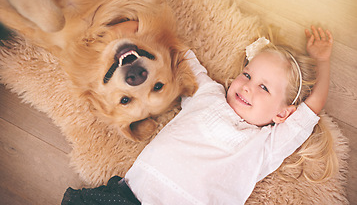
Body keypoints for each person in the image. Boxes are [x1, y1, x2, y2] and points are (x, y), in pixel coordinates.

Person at [62, 25, 335, 204]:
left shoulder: (265, 146)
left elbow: (312, 109)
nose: (247, 87)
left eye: (263, 87)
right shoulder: (208, 94)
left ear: (283, 113)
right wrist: (146, 28)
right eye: (247, 75)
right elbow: (182, 56)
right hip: (130, 195)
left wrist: (322, 61)